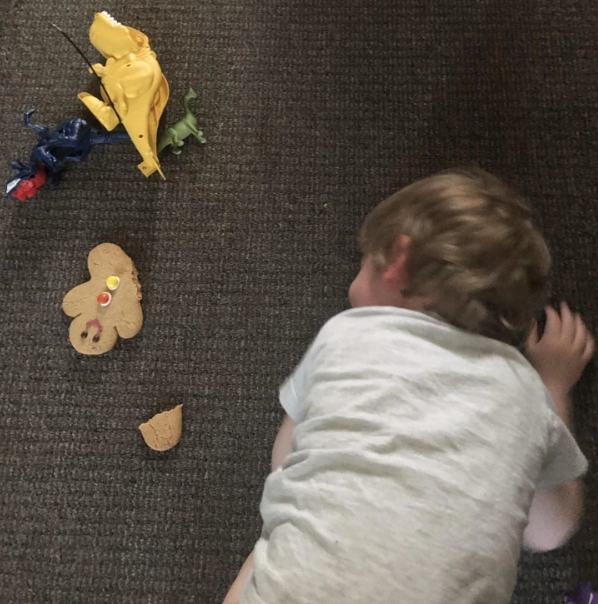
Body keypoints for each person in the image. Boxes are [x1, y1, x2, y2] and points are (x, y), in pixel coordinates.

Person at [223, 168, 594, 604]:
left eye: (365, 259)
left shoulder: (344, 336)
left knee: (265, 559)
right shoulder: (526, 395)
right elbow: (552, 530)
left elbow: (284, 461)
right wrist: (552, 386)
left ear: (397, 259)